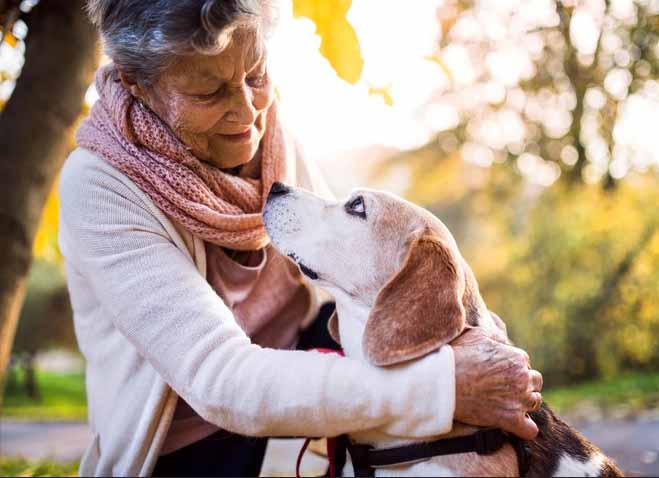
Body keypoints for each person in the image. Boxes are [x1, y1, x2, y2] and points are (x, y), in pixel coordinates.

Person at [58, 1, 544, 476]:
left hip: (305, 348)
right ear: (137, 85)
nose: (247, 110)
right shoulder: (99, 186)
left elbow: (348, 265)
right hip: (188, 440)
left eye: (256, 74)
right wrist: (443, 386)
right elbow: (222, 380)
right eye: (210, 92)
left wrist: (483, 353)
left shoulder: (267, 129)